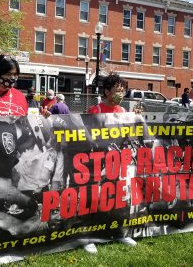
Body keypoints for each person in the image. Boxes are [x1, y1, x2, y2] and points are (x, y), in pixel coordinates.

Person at [86, 73, 137, 253]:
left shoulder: (123, 112)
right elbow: (87, 138)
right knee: (96, 199)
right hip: (98, 164)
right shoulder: (96, 111)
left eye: (123, 91)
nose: (120, 94)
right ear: (107, 91)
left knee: (118, 199)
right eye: (117, 90)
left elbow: (128, 136)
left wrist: (136, 120)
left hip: (117, 164)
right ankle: (90, 237)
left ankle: (120, 233)